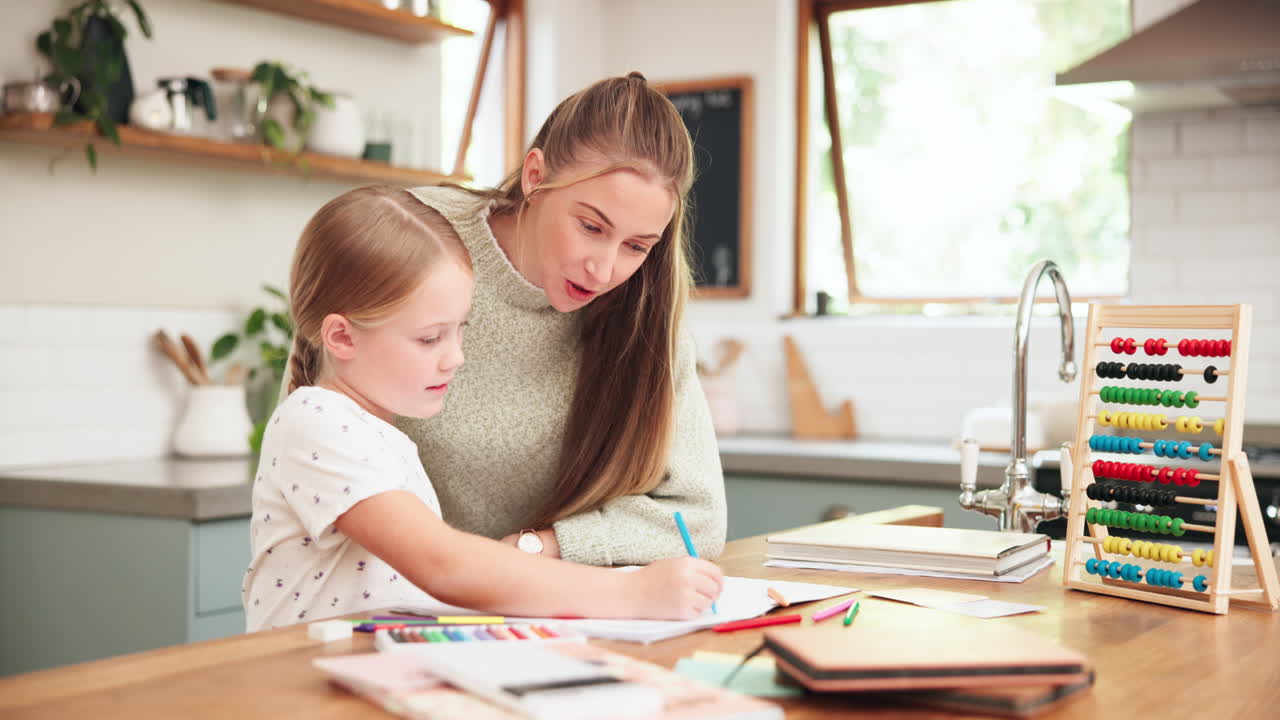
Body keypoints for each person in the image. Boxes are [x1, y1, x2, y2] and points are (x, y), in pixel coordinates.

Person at [243, 186, 723, 630]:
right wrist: (631, 593)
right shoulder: (316, 423)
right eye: (430, 337)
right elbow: (443, 564)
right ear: (342, 337)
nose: (456, 357)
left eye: (460, 329)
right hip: (296, 686)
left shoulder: (380, 438)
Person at [397, 72, 727, 566]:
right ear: (535, 175)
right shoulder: (411, 236)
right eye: (591, 226)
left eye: (636, 246)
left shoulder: (645, 310)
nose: (605, 268)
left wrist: (541, 547)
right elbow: (313, 430)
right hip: (375, 602)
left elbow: (698, 521)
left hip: (529, 609)